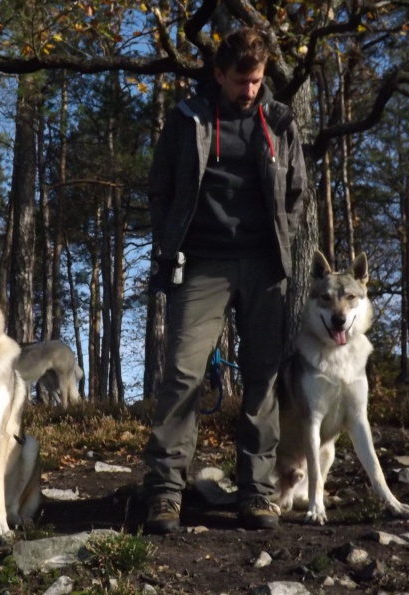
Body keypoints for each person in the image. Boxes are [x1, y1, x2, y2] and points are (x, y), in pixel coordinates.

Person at [143, 27, 307, 534]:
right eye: (241, 80)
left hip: (264, 265)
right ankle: (166, 493)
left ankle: (257, 493)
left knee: (262, 377)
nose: (250, 89)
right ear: (219, 75)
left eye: (257, 80)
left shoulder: (280, 121)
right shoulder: (186, 118)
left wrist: (282, 242)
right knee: (183, 376)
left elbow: (298, 193)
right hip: (201, 264)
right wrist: (172, 244)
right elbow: (161, 188)